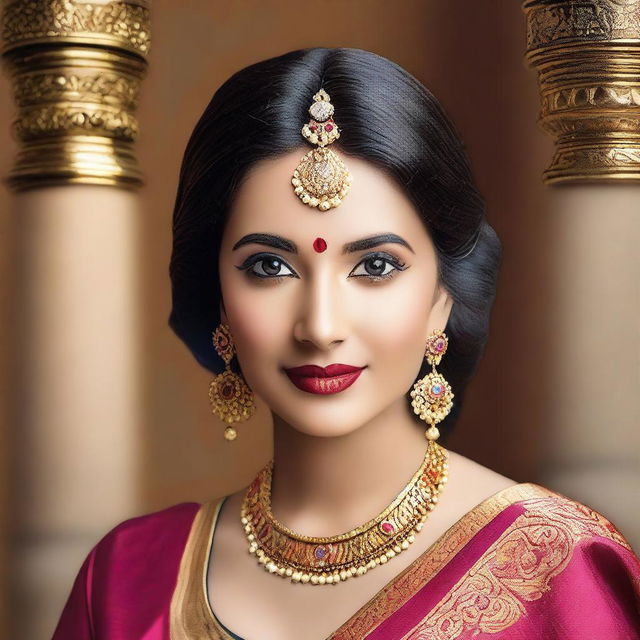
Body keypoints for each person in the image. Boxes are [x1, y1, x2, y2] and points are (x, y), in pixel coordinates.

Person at [52, 47, 640, 640]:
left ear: (444, 296)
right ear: (219, 296)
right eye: (269, 267)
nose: (320, 325)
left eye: (377, 265)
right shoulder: (127, 580)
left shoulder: (557, 567)